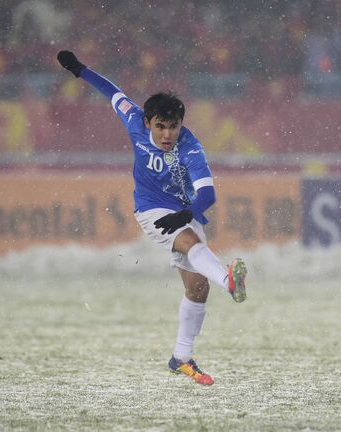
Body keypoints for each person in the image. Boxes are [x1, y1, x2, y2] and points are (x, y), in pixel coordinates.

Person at [56, 50, 247, 386]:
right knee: (189, 245)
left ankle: (181, 358)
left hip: (185, 210)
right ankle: (228, 281)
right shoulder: (133, 120)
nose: (167, 135)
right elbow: (112, 91)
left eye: (173, 127)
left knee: (197, 287)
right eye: (160, 126)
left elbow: (208, 194)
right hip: (150, 209)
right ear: (148, 122)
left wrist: (188, 213)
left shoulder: (190, 147)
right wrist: (79, 69)